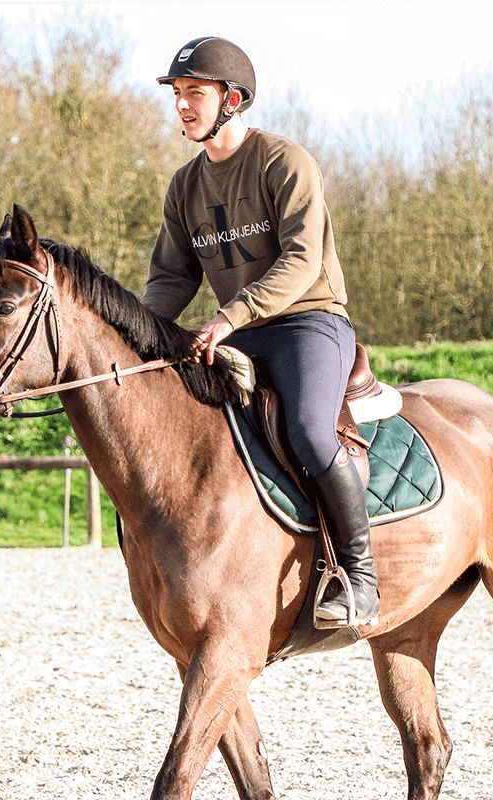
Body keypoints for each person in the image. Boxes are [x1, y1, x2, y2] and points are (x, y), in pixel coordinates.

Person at [142, 36, 379, 626]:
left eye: (195, 93)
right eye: (177, 95)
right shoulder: (184, 186)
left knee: (306, 429)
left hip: (310, 323)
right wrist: (136, 333)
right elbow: (172, 278)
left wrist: (227, 317)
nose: (183, 106)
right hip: (239, 333)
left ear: (234, 98)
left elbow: (301, 263)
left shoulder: (285, 161)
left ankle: (359, 573)